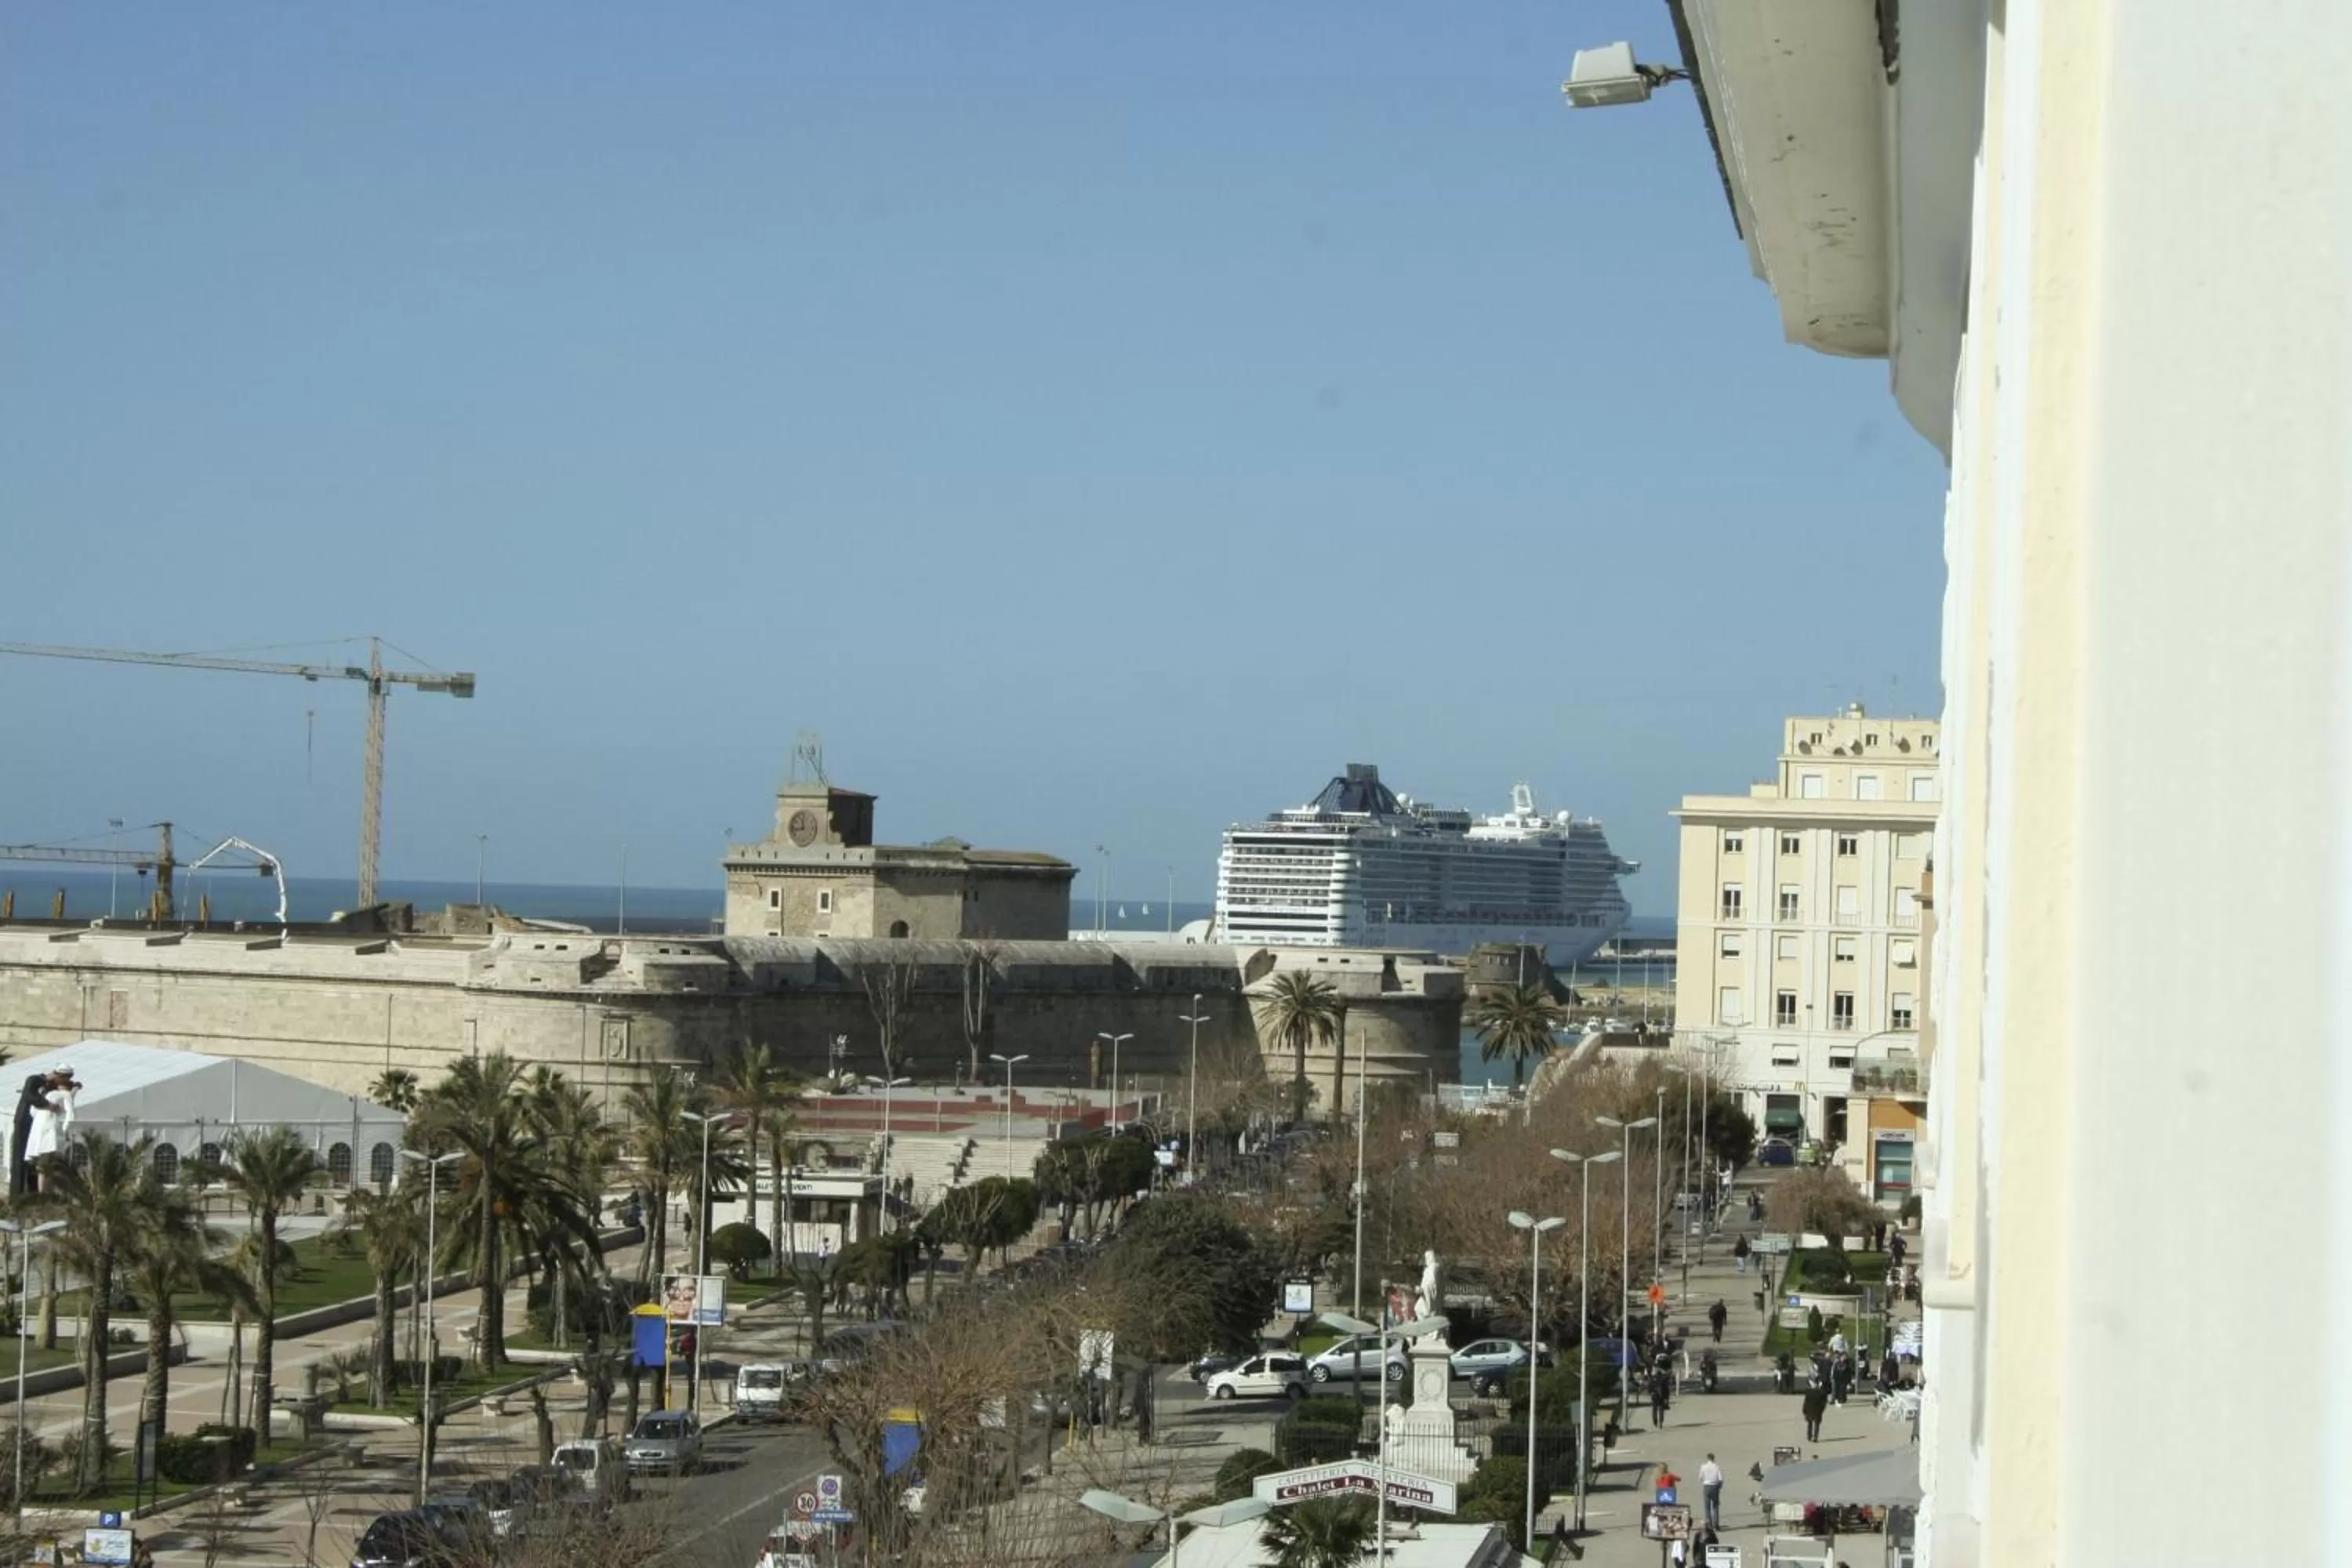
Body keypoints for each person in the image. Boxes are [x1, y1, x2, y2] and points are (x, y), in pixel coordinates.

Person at [1699, 1453, 1724, 1530]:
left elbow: (1700, 1477)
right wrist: (1720, 1487)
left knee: (1707, 1507)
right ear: (1713, 1459)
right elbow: (1721, 1479)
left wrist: (1705, 1480)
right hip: (1715, 1486)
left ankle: (1709, 1525)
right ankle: (1716, 1525)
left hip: (1707, 1486)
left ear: (1707, 1458)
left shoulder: (1703, 1467)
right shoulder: (1716, 1467)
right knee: (1715, 1506)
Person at [1802, 1376, 1830, 1442]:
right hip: (1815, 1410)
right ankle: (1812, 1436)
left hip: (1814, 1410)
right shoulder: (1820, 1392)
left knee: (1812, 1424)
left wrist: (1804, 1410)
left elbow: (1806, 1402)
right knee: (1813, 1424)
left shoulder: (1811, 1392)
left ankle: (1812, 1436)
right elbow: (1806, 1402)